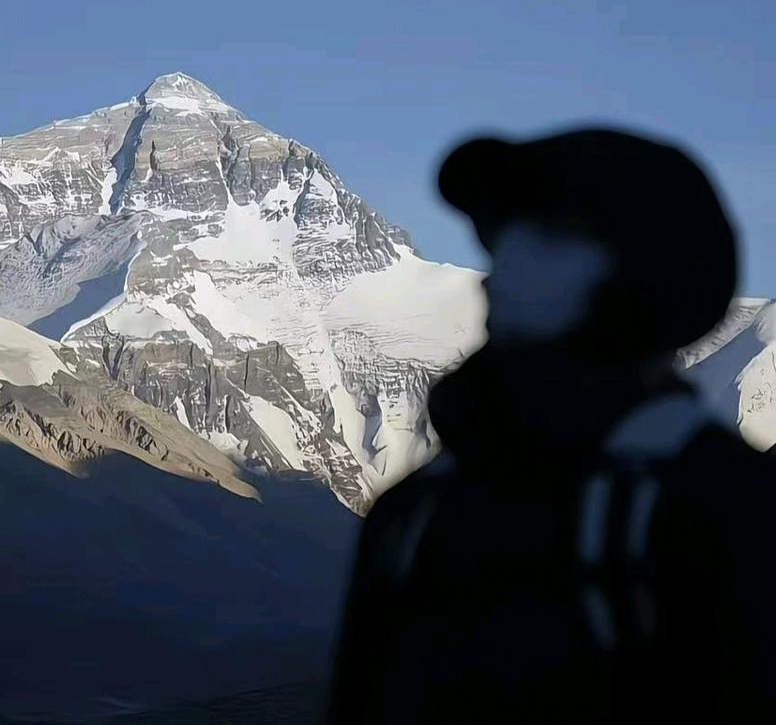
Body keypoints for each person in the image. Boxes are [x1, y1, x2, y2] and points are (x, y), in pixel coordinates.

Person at [325, 127, 776, 723]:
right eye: (506, 237)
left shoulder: (724, 504)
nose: (506, 266)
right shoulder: (416, 509)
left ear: (645, 272)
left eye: (552, 237)